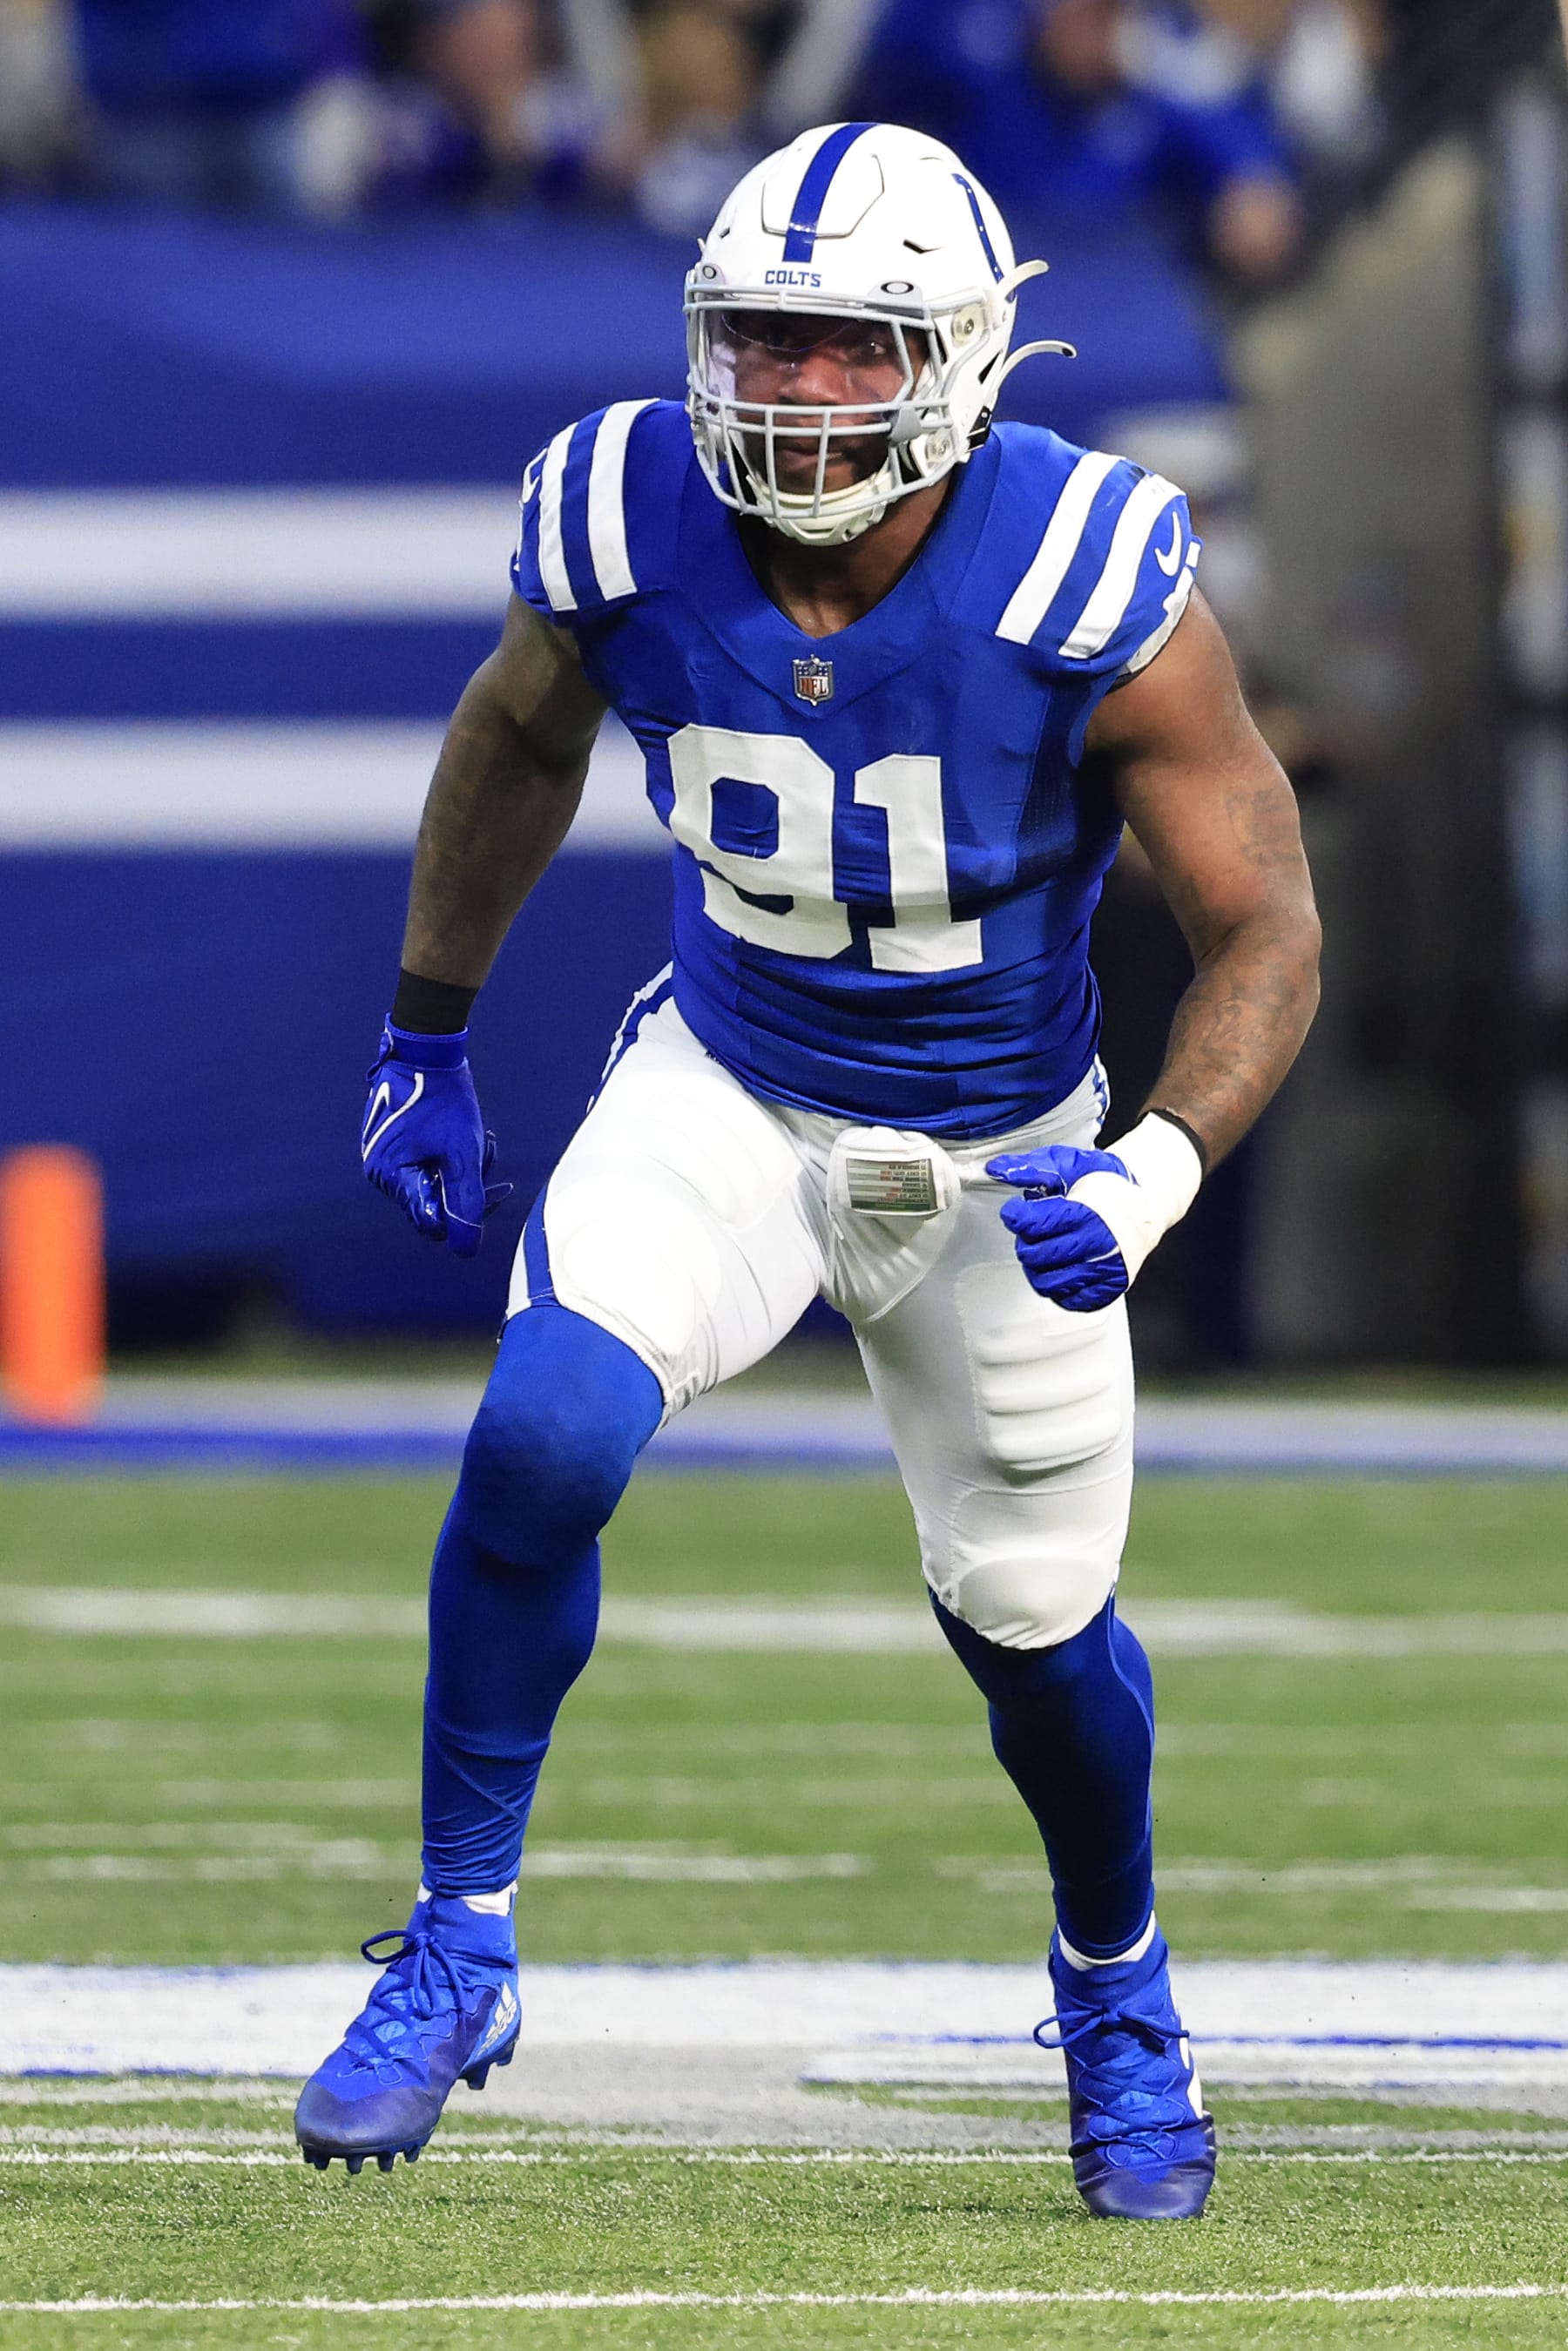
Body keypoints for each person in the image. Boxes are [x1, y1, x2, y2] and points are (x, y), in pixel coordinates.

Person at [294, 119, 1320, 2219]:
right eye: (763, 339)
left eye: (853, 350)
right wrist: (422, 1028)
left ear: (955, 357)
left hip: (1005, 1142)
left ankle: (1118, 1986)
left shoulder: (1089, 569)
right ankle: (458, 1941)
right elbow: (514, 735)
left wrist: (1152, 1172)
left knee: (1037, 1637)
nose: (796, 391)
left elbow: (1268, 924)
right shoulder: (617, 505)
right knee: (548, 1424)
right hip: (738, 1087)